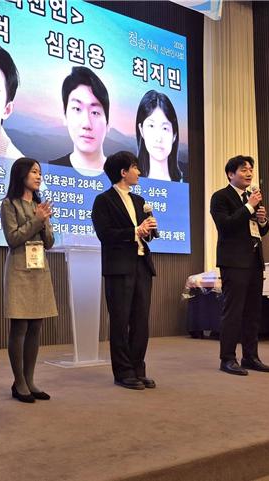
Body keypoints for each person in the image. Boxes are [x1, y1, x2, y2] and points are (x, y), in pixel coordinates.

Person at [91, 151, 157, 390]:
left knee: (141, 321)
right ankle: (123, 372)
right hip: (119, 268)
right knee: (120, 321)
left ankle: (138, 369)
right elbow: (105, 234)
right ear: (123, 172)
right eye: (135, 167)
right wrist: (135, 231)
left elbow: (148, 235)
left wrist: (149, 229)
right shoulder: (104, 200)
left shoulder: (139, 200)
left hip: (141, 265)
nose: (139, 172)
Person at [210, 155, 269, 376]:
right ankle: (227, 358)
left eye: (250, 170)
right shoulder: (220, 197)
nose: (249, 173)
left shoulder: (251, 198)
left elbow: (261, 231)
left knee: (253, 312)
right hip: (234, 261)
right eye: (243, 170)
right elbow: (225, 225)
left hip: (254, 260)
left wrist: (263, 220)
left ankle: (250, 357)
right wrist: (249, 207)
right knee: (233, 311)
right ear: (230, 174)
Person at [1, 158, 57, 403]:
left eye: (40, 172)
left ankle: (30, 380)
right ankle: (19, 382)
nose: (38, 176)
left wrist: (43, 220)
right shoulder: (9, 204)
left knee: (36, 326)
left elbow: (50, 242)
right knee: (20, 326)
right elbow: (13, 238)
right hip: (19, 270)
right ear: (21, 174)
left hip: (39, 270)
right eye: (34, 172)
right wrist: (37, 219)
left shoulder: (38, 205)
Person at [49, 66, 110, 176]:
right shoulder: (48, 173)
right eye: (77, 109)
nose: (87, 124)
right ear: (65, 116)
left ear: (107, 123)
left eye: (95, 112)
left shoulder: (124, 179)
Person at [134, 90, 182, 182]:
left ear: (174, 135)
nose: (159, 138)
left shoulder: (182, 183)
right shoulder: (129, 184)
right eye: (151, 126)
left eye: (165, 128)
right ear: (141, 130)